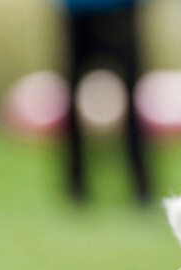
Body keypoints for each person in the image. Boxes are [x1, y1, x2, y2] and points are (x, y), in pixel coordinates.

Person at [61, 0, 151, 203]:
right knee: (72, 97)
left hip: (118, 7)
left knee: (133, 96)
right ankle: (76, 187)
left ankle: (142, 186)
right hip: (78, 9)